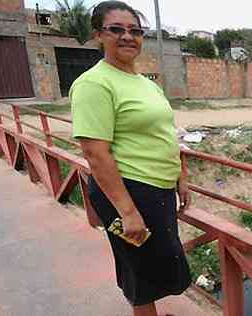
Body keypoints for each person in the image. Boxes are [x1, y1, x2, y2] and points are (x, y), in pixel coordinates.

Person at [69, 1, 192, 315]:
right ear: (99, 35)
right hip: (128, 192)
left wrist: (181, 173)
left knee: (159, 264)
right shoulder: (94, 84)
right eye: (117, 29)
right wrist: (128, 212)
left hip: (157, 189)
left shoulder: (144, 83)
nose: (128, 36)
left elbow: (165, 132)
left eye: (135, 31)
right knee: (140, 273)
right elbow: (95, 154)